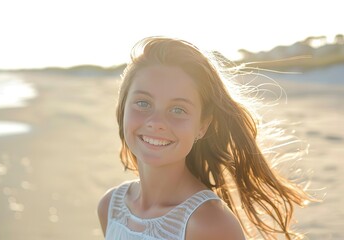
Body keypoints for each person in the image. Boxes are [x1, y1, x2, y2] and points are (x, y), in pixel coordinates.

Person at [97, 36, 314, 239]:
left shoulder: (211, 224)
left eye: (178, 109)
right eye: (143, 103)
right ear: (122, 108)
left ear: (202, 125)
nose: (157, 122)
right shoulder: (110, 206)